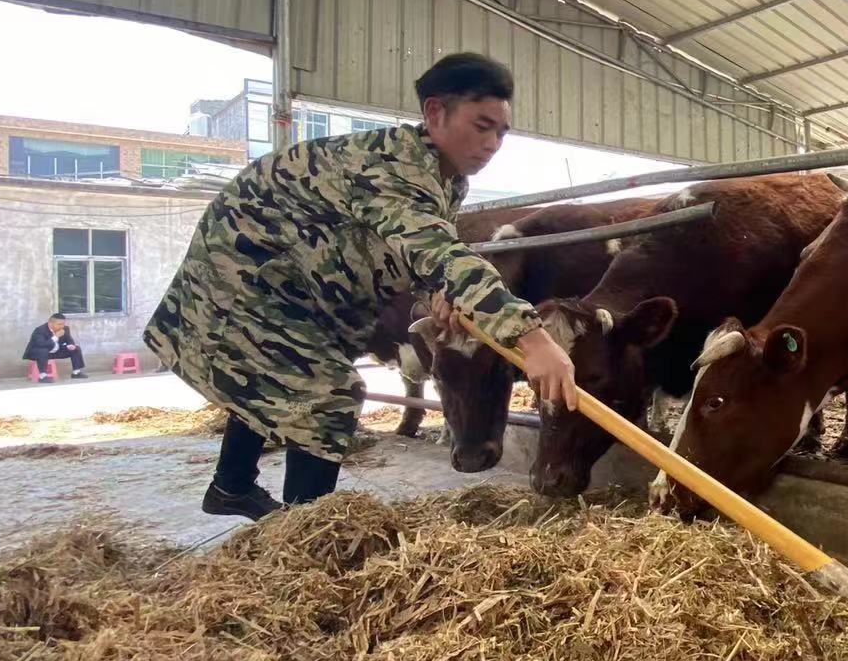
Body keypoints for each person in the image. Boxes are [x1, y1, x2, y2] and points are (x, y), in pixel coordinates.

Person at [144, 52, 577, 521]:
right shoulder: (393, 168)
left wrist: (439, 294)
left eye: (502, 133)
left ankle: (231, 487)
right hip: (244, 275)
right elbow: (439, 252)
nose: (492, 144)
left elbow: (414, 252)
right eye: (482, 126)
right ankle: (305, 537)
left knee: (282, 373)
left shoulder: (445, 178)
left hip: (292, 283)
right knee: (328, 390)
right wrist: (532, 338)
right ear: (435, 112)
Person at [22, 313, 86, 380]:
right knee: (43, 350)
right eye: (59, 324)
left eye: (63, 324)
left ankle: (76, 373)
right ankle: (42, 376)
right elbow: (41, 344)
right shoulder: (40, 330)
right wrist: (56, 336)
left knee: (76, 348)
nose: (62, 326)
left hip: (55, 351)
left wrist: (71, 345)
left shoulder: (65, 328)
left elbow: (69, 339)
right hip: (38, 353)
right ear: (50, 323)